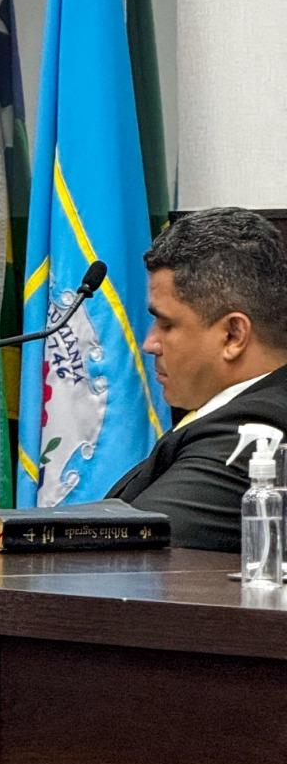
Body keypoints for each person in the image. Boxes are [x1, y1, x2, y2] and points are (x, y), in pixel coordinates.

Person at [108, 207, 287, 549]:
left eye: (167, 324)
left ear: (233, 335)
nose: (149, 343)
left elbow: (126, 551)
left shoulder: (257, 430)